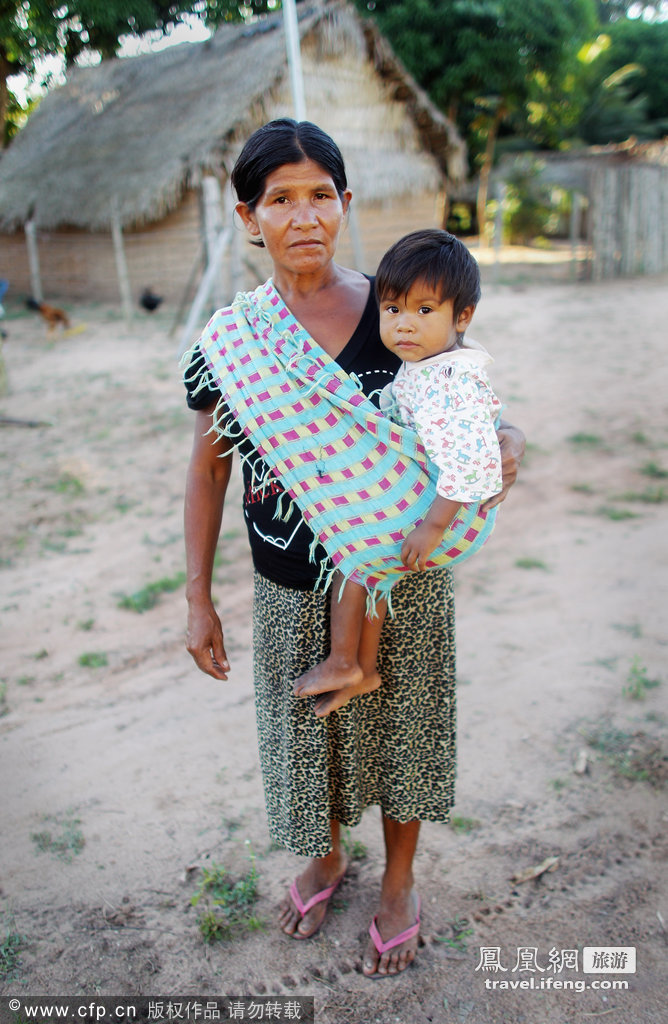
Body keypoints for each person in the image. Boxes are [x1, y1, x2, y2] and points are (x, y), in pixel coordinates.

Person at [183, 118, 525, 977]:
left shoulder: (399, 306)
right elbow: (207, 473)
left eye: (321, 196)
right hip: (289, 580)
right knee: (311, 739)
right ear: (247, 215)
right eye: (280, 200)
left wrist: (509, 435)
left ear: (345, 204)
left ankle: (400, 880)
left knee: (403, 732)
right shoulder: (232, 344)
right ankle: (331, 855)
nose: (304, 217)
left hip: (399, 574)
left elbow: (468, 399)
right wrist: (197, 594)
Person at [292, 228, 503, 717]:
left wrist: (432, 526)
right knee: (375, 575)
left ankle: (345, 658)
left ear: (463, 317)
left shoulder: (446, 381)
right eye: (393, 310)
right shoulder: (431, 365)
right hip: (423, 494)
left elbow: (468, 461)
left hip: (440, 508)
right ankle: (365, 669)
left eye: (424, 311)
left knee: (352, 555)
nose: (405, 325)